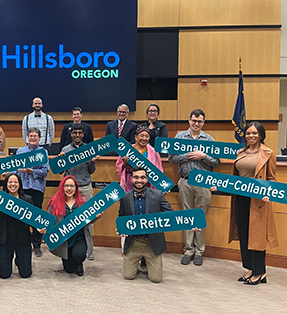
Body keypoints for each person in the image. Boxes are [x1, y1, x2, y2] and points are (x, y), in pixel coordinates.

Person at [224, 122, 277, 285]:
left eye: (254, 133)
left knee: (257, 236)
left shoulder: (269, 153)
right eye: (248, 133)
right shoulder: (241, 152)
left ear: (261, 135)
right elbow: (236, 177)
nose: (251, 136)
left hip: (258, 201)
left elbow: (272, 179)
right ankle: (250, 267)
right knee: (245, 233)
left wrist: (268, 194)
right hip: (241, 198)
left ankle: (259, 272)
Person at [169, 109, 221, 266]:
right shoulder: (179, 137)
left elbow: (217, 162)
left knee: (200, 217)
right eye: (194, 120)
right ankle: (188, 250)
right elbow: (171, 158)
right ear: (189, 121)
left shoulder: (209, 139)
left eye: (200, 121)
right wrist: (190, 155)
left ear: (203, 123)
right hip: (185, 181)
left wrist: (203, 156)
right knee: (187, 217)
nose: (196, 123)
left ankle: (199, 251)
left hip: (204, 183)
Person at [118, 167, 173, 283]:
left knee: (156, 279)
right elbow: (121, 218)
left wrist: (189, 224)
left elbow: (171, 216)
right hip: (134, 242)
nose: (139, 180)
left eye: (143, 177)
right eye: (136, 177)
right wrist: (121, 228)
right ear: (131, 179)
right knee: (128, 276)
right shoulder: (125, 197)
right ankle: (138, 262)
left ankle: (148, 262)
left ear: (147, 179)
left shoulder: (157, 195)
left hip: (151, 242)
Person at [59, 123, 98, 260]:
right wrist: (61, 160)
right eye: (74, 133)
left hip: (85, 186)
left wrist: (92, 161)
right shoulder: (65, 149)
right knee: (68, 217)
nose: (77, 135)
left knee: (88, 219)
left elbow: (91, 170)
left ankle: (88, 250)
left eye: (80, 133)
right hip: (69, 188)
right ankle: (68, 248)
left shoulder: (88, 149)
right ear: (71, 134)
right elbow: (60, 172)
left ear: (83, 134)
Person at [46, 175, 98, 276]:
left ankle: (79, 263)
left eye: (72, 186)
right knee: (69, 269)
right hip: (65, 240)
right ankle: (71, 261)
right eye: (66, 186)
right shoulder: (54, 202)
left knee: (78, 255)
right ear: (62, 187)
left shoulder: (83, 201)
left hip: (79, 237)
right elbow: (49, 222)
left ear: (76, 188)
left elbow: (90, 220)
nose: (69, 188)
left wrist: (96, 216)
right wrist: (48, 236)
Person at [0, 173, 35, 279]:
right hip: (5, 239)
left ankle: (19, 260)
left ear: (20, 184)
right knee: (4, 275)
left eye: (15, 182)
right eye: (10, 182)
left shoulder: (27, 199)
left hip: (23, 240)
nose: (13, 184)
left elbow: (33, 220)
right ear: (6, 184)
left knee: (26, 274)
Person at [14, 127, 49, 257]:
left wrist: (31, 171)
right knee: (22, 216)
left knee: (36, 218)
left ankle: (37, 245)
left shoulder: (43, 152)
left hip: (37, 189)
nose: (32, 138)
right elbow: (14, 168)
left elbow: (45, 171)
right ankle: (23, 243)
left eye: (35, 136)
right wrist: (9, 175)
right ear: (27, 137)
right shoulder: (20, 151)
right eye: (30, 136)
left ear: (39, 138)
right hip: (22, 188)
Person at [116, 128, 163, 192]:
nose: (144, 138)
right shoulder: (127, 149)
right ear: (136, 137)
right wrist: (124, 163)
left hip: (147, 182)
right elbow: (119, 167)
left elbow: (159, 170)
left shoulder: (154, 152)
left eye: (147, 136)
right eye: (141, 136)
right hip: (130, 181)